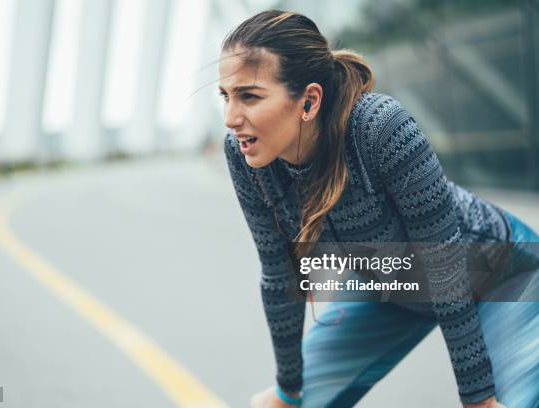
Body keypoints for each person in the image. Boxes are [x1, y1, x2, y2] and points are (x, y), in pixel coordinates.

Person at [219, 10, 538, 408]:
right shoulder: (245, 155)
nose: (231, 118)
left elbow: (443, 264)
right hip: (391, 276)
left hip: (499, 270)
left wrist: (478, 397)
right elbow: (280, 271)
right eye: (225, 96)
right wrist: (290, 390)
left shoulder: (380, 128)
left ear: (309, 100)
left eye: (249, 95)